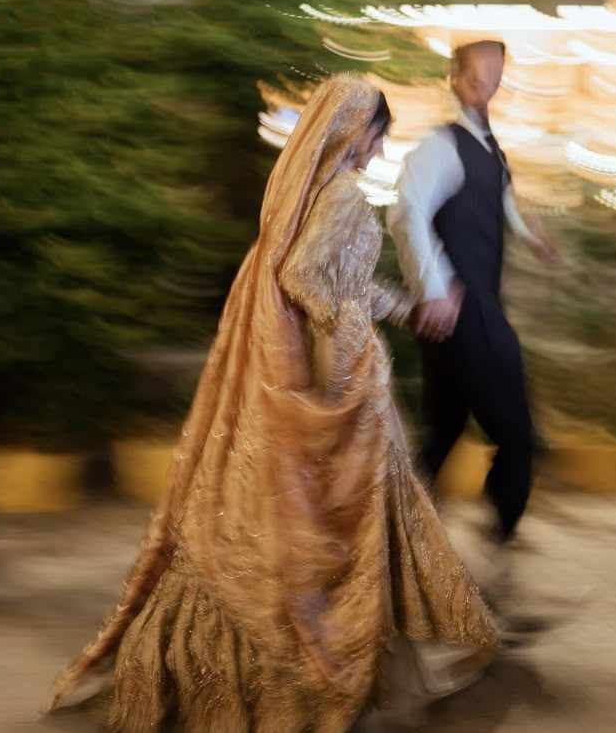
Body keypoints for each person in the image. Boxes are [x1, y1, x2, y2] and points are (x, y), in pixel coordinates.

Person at [47, 75, 498, 732]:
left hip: (338, 361)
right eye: (378, 135)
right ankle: (329, 666)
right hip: (345, 373)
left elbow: (338, 279)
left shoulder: (316, 191)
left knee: (332, 509)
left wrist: (407, 309)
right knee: (355, 513)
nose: (379, 149)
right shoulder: (342, 194)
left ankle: (307, 659)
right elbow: (303, 275)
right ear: (354, 131)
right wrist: (347, 327)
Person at [388, 41, 557, 573]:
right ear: (457, 79)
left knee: (441, 433)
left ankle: (393, 536)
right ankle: (500, 534)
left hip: (468, 310)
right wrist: (433, 288)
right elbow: (406, 211)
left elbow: (500, 200)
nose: (489, 82)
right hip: (463, 309)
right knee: (518, 432)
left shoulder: (491, 149)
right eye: (479, 73)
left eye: (496, 73)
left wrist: (529, 235)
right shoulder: (441, 146)